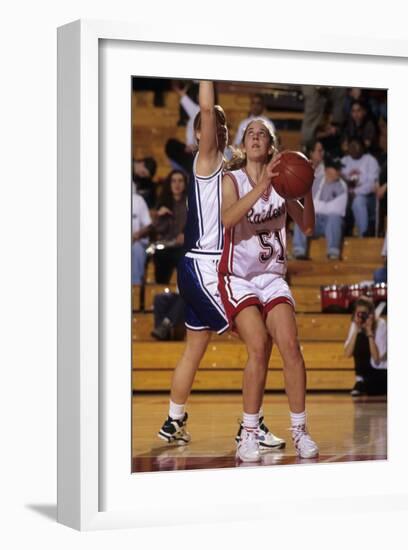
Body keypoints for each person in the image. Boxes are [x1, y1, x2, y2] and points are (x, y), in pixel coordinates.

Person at [157, 81, 284, 450]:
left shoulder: (228, 169)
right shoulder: (207, 158)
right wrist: (206, 76)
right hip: (206, 268)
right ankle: (251, 425)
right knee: (259, 340)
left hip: (202, 268)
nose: (222, 130)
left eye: (228, 126)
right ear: (200, 132)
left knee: (194, 349)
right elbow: (209, 113)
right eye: (216, 125)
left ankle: (173, 420)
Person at [219, 118, 319, 462]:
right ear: (244, 145)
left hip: (272, 276)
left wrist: (305, 185)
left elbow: (306, 226)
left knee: (290, 345)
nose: (257, 137)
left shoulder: (281, 183)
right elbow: (228, 219)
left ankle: (300, 430)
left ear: (272, 145)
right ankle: (248, 433)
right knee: (259, 345)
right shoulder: (231, 179)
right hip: (239, 277)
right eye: (251, 133)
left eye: (263, 134)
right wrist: (260, 185)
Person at [293, 152, 348, 261]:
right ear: (327, 169)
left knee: (334, 218)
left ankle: (333, 252)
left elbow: (339, 211)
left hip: (330, 224)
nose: (338, 172)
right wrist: (324, 206)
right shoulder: (316, 181)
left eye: (339, 169)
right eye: (335, 169)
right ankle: (299, 251)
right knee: (301, 215)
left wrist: (318, 206)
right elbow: (309, 205)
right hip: (315, 222)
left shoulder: (342, 186)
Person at [344, 296, 387, 397]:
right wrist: (356, 330)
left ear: (371, 314)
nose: (362, 317)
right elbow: (347, 353)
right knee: (359, 339)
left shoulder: (381, 324)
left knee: (364, 339)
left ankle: (364, 384)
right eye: (359, 313)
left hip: (380, 372)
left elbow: (377, 359)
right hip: (365, 374)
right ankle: (361, 381)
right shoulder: (355, 323)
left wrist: (369, 332)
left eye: (365, 314)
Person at [150, 169, 188, 284]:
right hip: (165, 246)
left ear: (185, 184)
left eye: (180, 181)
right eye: (174, 181)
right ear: (169, 184)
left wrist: (186, 234)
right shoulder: (162, 203)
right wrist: (159, 216)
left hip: (183, 247)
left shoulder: (191, 204)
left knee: (183, 256)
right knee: (160, 256)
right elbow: (157, 230)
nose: (177, 184)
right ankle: (161, 290)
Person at [340, 137, 379, 237]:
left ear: (362, 147)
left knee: (358, 200)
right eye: (351, 146)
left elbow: (372, 185)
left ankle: (364, 234)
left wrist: (355, 192)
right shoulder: (344, 161)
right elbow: (339, 182)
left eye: (356, 146)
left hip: (368, 199)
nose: (353, 149)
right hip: (347, 198)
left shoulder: (370, 160)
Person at [132, 181, 153, 285]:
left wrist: (136, 235)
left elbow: (148, 225)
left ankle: (135, 287)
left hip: (136, 240)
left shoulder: (138, 200)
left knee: (136, 249)